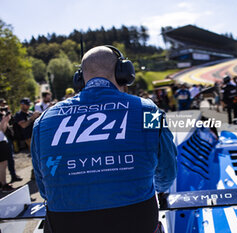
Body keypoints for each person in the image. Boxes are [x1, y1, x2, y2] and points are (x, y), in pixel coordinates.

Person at [31, 45, 177, 233]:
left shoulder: (43, 121)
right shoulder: (149, 111)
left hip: (66, 225)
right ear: (124, 73)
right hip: (136, 221)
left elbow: (44, 189)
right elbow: (167, 174)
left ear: (79, 78)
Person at [0, 108, 15, 192]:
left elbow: (3, 130)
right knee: (2, 164)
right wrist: (4, 120)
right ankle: (4, 184)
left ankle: (2, 182)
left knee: (3, 163)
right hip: (0, 142)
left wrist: (6, 120)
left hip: (2, 140)